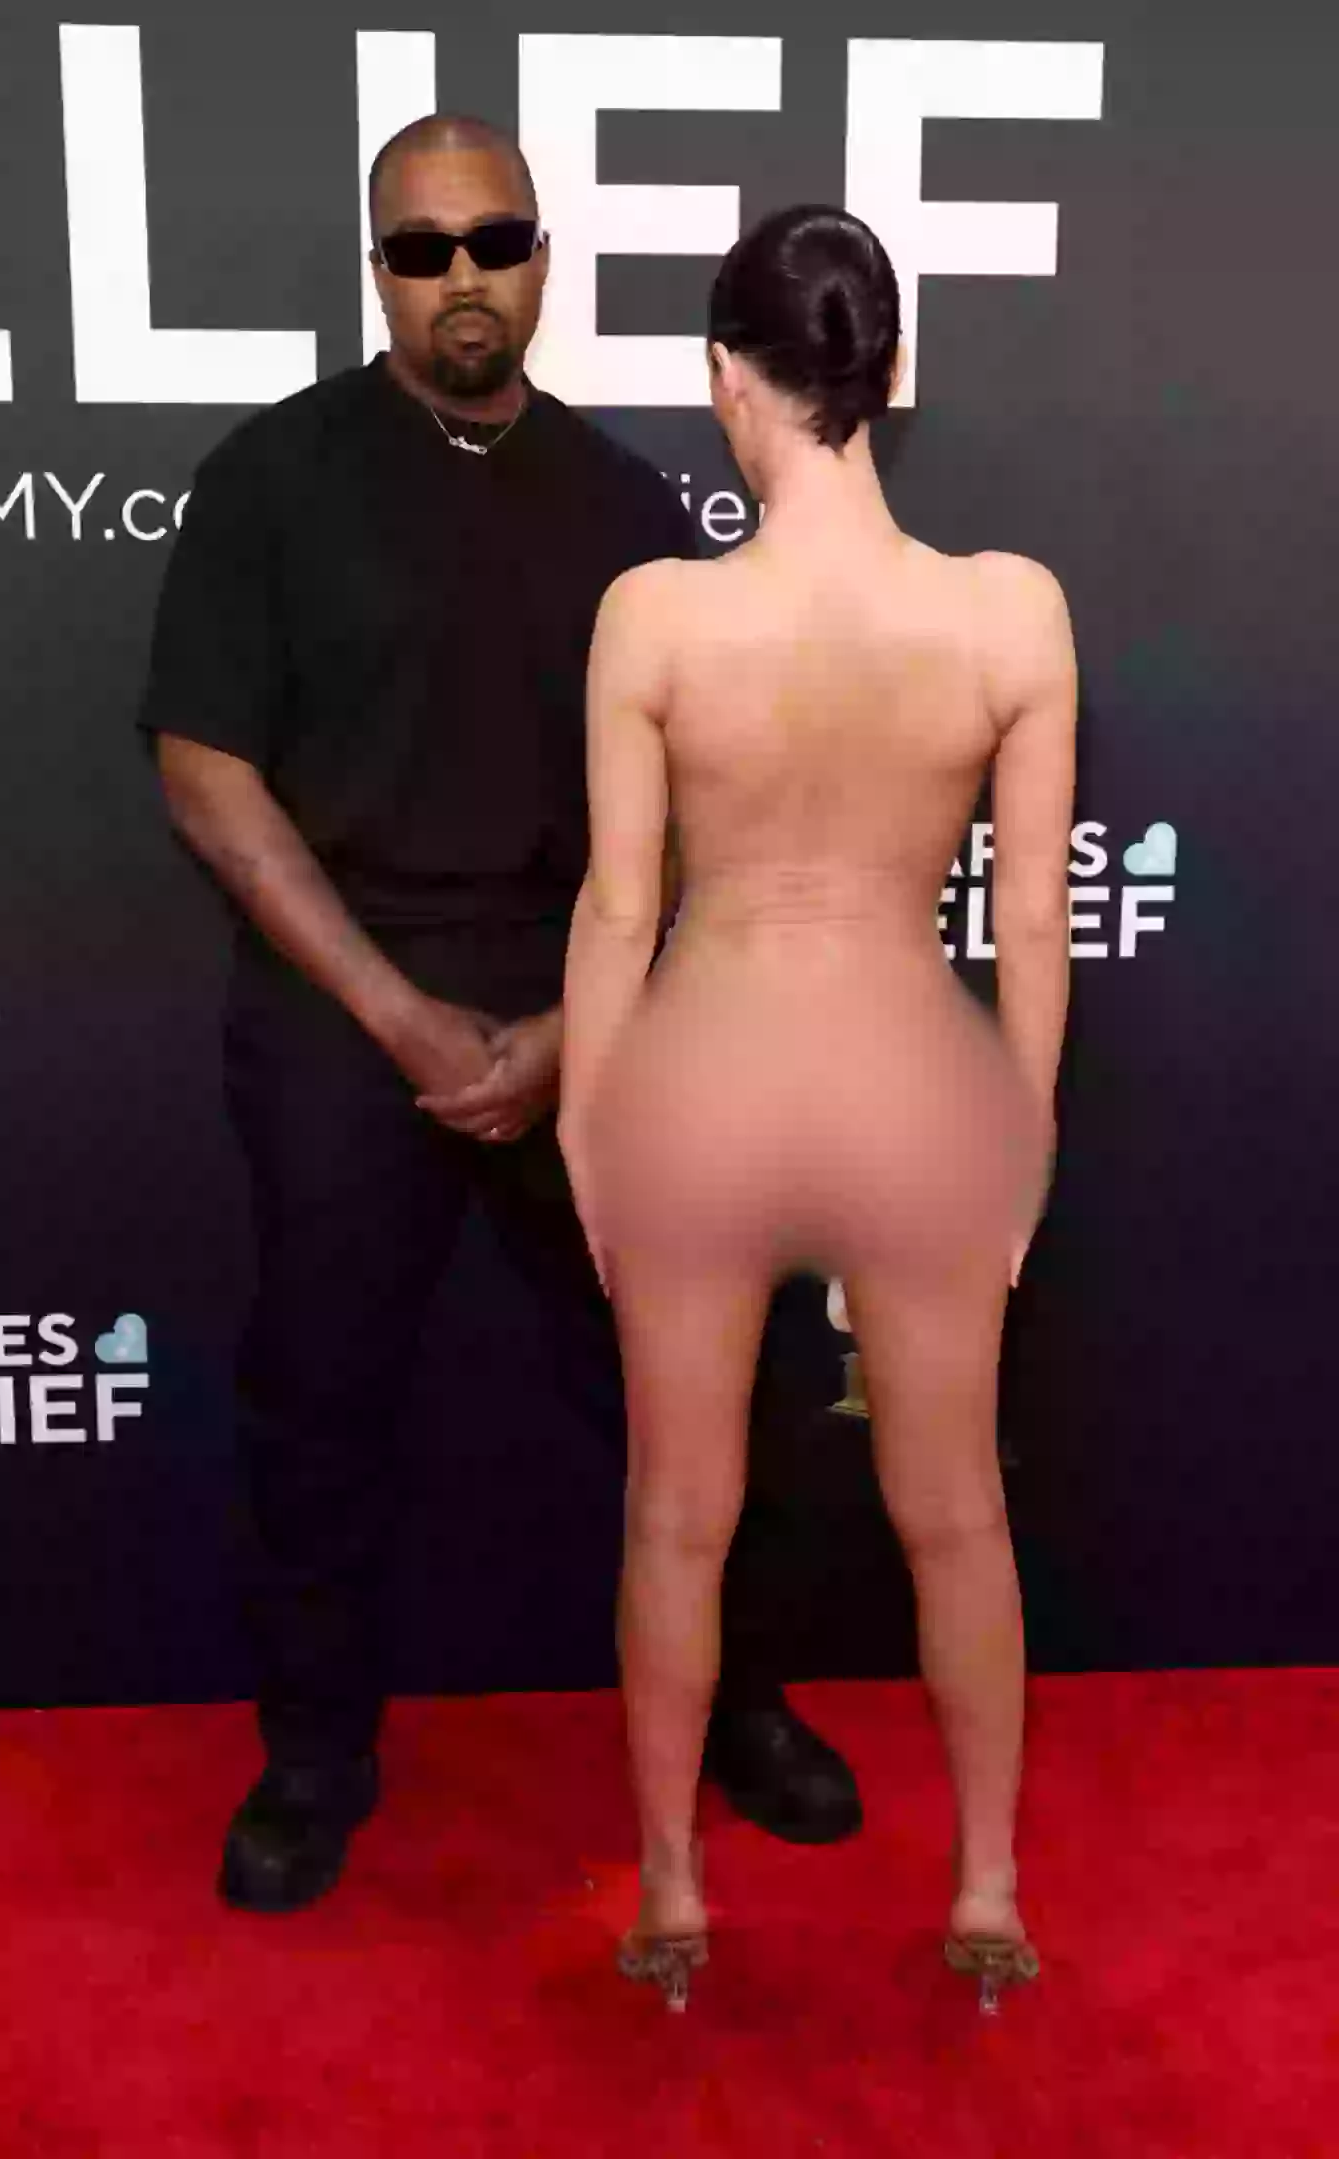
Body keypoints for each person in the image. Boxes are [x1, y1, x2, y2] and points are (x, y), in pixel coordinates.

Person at [139, 118, 860, 1916]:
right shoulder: (270, 484)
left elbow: (703, 798)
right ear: (375, 267)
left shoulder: (628, 508)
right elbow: (207, 768)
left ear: (548, 256)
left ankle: (741, 1705)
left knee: (692, 1393)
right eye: (422, 248)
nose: (463, 276)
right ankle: (313, 1756)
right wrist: (397, 1016)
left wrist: (560, 1031)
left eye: (497, 238)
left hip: (591, 996)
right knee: (318, 1401)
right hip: (341, 998)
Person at [559, 205, 1076, 2011]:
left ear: (723, 378)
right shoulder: (1010, 612)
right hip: (906, 1077)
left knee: (674, 1517)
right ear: (893, 370)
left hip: (703, 1073)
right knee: (958, 1516)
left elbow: (621, 908)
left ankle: (676, 1905)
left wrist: (582, 1125)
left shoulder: (657, 617)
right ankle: (990, 1891)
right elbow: (1025, 925)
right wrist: (1023, 1137)